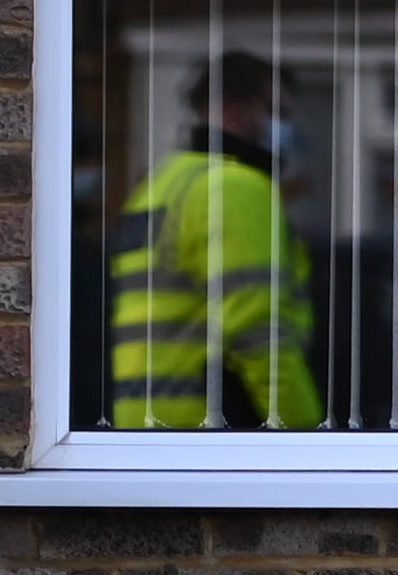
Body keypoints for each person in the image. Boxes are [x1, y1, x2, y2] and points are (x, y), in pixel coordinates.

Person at [111, 46, 323, 429]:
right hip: (213, 428)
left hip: (142, 425)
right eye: (277, 112)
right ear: (236, 109)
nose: (285, 127)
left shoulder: (163, 184)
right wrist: (308, 435)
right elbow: (257, 333)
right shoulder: (235, 187)